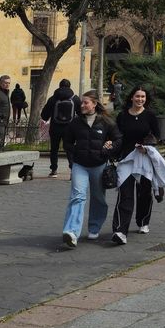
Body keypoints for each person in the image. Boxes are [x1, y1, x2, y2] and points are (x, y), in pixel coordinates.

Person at [60, 91, 121, 248]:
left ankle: (94, 227)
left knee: (98, 197)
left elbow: (118, 139)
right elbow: (67, 142)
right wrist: (74, 156)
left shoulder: (106, 122)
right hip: (80, 165)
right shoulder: (75, 122)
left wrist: (108, 149)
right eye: (81, 102)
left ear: (94, 104)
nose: (82, 105)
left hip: (99, 165)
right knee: (77, 196)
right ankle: (71, 232)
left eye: (85, 102)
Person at [110, 86, 163, 244]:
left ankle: (143, 221)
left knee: (144, 193)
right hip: (126, 159)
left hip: (144, 159)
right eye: (137, 96)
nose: (140, 99)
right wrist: (112, 149)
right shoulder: (122, 116)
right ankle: (120, 231)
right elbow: (117, 136)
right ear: (131, 98)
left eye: (143, 97)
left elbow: (157, 136)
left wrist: (147, 146)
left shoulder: (150, 116)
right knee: (125, 194)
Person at [40, 78, 79, 177]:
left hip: (55, 128)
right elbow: (81, 113)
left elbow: (44, 115)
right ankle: (73, 170)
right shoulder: (75, 98)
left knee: (54, 149)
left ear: (59, 86)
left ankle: (54, 170)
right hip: (70, 129)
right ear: (69, 86)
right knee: (69, 149)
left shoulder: (53, 98)